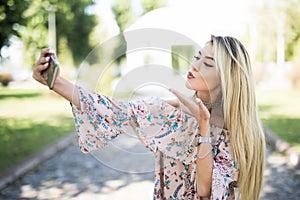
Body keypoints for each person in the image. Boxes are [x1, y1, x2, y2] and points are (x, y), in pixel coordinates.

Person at [33, 35, 266, 200]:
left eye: (207, 63)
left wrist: (204, 127)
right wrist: (55, 82)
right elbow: (112, 110)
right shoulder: (171, 112)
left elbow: (205, 190)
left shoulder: (237, 133)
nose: (195, 65)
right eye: (197, 57)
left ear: (227, 78)